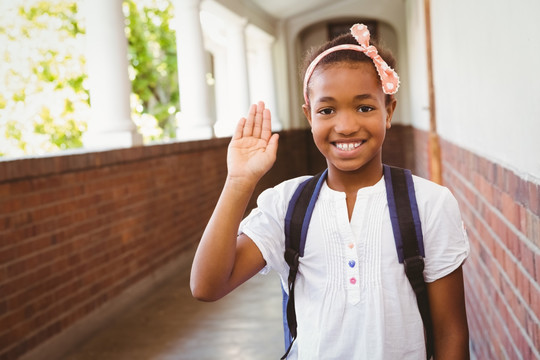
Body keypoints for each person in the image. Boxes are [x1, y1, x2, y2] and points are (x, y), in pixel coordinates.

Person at [190, 23, 470, 359]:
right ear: (309, 116)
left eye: (364, 107)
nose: (346, 125)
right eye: (327, 110)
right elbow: (207, 286)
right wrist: (238, 182)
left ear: (389, 111)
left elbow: (450, 331)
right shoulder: (286, 205)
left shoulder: (429, 204)